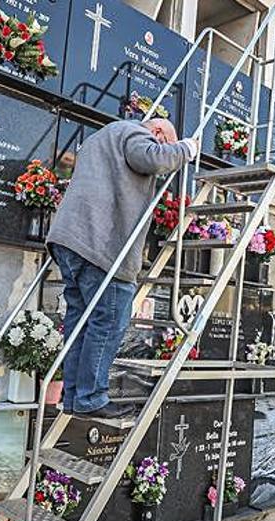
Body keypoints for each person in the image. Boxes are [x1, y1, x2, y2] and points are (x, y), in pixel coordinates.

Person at [45, 118, 197, 419]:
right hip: (101, 246)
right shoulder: (136, 134)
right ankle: (91, 398)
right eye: (163, 141)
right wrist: (186, 149)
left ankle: (74, 396)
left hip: (69, 241)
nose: (161, 147)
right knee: (109, 321)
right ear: (156, 133)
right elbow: (152, 158)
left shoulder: (101, 138)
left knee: (80, 323)